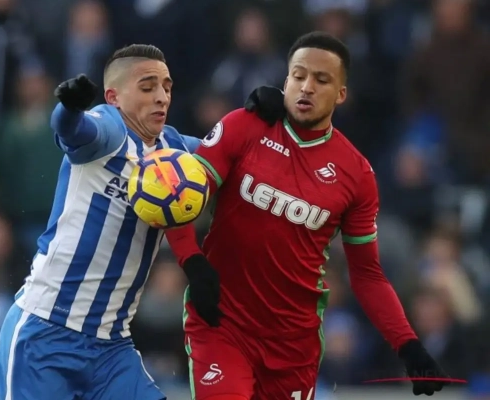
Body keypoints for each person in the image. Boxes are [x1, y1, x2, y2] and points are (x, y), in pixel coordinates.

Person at [165, 32, 450, 400]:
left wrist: (408, 344)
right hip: (223, 324)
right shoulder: (244, 126)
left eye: (321, 79)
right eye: (298, 76)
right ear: (286, 81)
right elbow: (180, 199)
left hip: (293, 344)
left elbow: (366, 274)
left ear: (341, 94)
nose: (307, 87)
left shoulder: (356, 174)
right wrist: (192, 262)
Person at [0, 43, 276, 400]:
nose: (161, 97)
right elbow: (72, 129)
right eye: (147, 87)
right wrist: (69, 107)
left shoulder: (175, 151)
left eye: (167, 87)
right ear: (113, 97)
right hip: (46, 334)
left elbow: (230, 150)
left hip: (111, 349)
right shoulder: (109, 130)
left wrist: (261, 115)